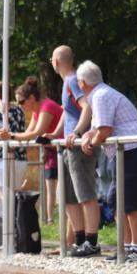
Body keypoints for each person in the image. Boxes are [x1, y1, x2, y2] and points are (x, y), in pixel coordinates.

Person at [75, 61, 137, 261]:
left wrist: (91, 142)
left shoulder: (100, 96)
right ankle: (127, 246)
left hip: (133, 151)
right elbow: (98, 127)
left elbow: (105, 130)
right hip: (126, 152)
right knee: (115, 198)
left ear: (82, 82)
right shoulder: (101, 95)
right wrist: (88, 136)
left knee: (129, 200)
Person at [52, 45, 102, 256]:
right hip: (68, 145)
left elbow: (87, 107)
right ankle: (80, 238)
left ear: (56, 61)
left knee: (84, 193)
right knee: (68, 195)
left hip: (78, 146)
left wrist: (79, 132)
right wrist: (56, 133)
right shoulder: (67, 82)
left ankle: (91, 241)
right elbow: (68, 111)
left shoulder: (73, 80)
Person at [0, 77, 63, 224]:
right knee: (53, 187)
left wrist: (11, 135)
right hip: (54, 151)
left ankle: (52, 220)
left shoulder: (47, 106)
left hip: (64, 150)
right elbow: (29, 133)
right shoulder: (37, 111)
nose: (20, 106)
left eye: (21, 102)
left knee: (64, 192)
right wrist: (11, 136)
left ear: (32, 98)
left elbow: (35, 133)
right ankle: (50, 220)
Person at [0, 79, 28, 209]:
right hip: (20, 157)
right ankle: (17, 226)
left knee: (5, 197)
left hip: (2, 157)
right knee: (15, 196)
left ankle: (10, 226)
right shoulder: (19, 110)